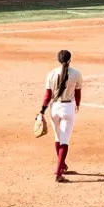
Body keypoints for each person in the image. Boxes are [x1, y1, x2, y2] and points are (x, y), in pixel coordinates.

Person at [36, 48, 82, 183]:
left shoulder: (51, 74)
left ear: (58, 60)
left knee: (58, 137)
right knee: (64, 141)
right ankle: (58, 173)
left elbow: (47, 96)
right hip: (68, 108)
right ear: (70, 59)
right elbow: (78, 93)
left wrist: (42, 111)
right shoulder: (76, 74)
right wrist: (77, 105)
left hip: (54, 108)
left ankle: (62, 165)